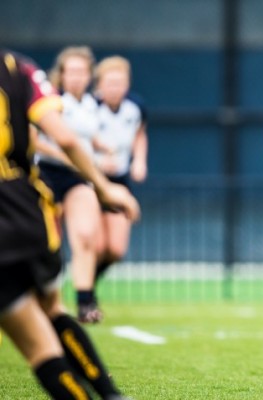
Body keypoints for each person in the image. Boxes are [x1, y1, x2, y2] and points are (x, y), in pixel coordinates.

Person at [0, 50, 138, 399]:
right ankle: (110, 393)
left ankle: (88, 298)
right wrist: (105, 186)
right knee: (51, 308)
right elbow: (60, 137)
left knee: (37, 345)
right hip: (23, 207)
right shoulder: (18, 68)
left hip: (37, 200)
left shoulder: (96, 105)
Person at [34, 46, 104, 324]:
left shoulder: (91, 104)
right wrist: (65, 154)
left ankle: (86, 302)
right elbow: (35, 138)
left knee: (86, 235)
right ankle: (46, 301)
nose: (76, 77)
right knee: (47, 242)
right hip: (47, 174)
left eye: (81, 71)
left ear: (89, 75)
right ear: (61, 74)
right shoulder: (49, 100)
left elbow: (88, 138)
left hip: (77, 177)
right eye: (70, 71)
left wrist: (103, 151)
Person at [91, 55, 148, 314]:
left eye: (120, 83)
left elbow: (140, 134)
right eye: (110, 83)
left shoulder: (135, 107)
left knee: (115, 249)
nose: (115, 88)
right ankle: (85, 295)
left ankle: (88, 281)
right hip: (92, 181)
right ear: (100, 84)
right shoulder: (89, 107)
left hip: (121, 181)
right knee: (98, 245)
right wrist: (97, 161)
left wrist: (139, 161)